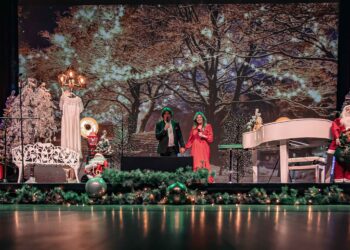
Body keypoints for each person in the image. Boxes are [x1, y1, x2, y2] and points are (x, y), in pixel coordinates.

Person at [185, 112, 214, 182]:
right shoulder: (194, 128)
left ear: (203, 118)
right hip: (195, 148)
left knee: (204, 164)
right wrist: (185, 147)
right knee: (196, 164)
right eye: (197, 118)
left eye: (200, 117)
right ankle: (196, 182)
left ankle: (207, 182)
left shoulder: (208, 126)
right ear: (195, 119)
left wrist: (203, 136)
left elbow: (211, 139)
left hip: (204, 147)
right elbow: (191, 139)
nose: (199, 119)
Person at [328, 105, 350, 182]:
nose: (349, 111)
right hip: (341, 144)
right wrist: (337, 138)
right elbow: (335, 129)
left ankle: (348, 178)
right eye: (347, 109)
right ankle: (339, 178)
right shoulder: (339, 121)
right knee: (339, 162)